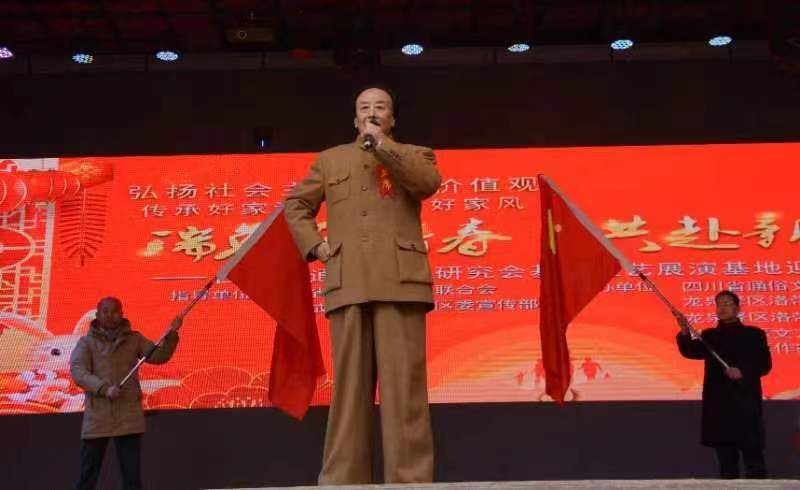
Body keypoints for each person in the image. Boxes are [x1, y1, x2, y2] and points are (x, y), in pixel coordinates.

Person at [284, 85, 441, 484]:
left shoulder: (415, 154)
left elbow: (426, 183)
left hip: (401, 282)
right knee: (349, 391)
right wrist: (314, 246)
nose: (372, 112)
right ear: (355, 119)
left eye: (380, 107)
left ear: (392, 118)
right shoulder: (330, 159)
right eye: (364, 107)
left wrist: (382, 145)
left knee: (404, 389)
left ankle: (410, 480)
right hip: (348, 281)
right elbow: (296, 204)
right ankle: (344, 480)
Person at [70, 297, 182, 490]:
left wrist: (172, 335)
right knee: (87, 477)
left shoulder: (134, 339)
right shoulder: (86, 343)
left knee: (132, 479)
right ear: (97, 315)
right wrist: (104, 389)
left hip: (128, 417)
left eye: (115, 311)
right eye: (105, 311)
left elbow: (158, 356)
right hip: (98, 418)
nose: (110, 315)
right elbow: (78, 372)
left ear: (122, 314)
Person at [675, 290, 772, 479]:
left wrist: (742, 371)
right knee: (727, 466)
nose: (722, 308)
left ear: (738, 308)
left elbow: (764, 364)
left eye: (727, 303)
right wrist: (685, 332)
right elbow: (690, 351)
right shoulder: (709, 336)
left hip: (746, 405)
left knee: (754, 461)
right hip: (719, 406)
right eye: (719, 304)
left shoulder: (754, 334)